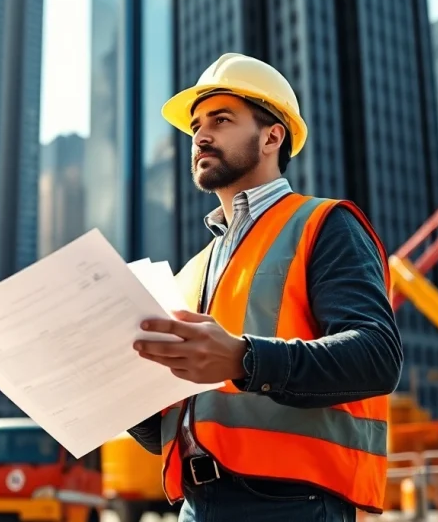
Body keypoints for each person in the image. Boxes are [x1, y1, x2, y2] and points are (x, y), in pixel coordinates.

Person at [128, 53, 403, 522]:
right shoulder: (190, 272)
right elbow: (171, 429)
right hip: (195, 505)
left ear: (273, 135)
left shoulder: (323, 224)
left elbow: (377, 356)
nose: (201, 135)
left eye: (221, 119)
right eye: (195, 126)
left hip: (291, 505)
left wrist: (242, 358)